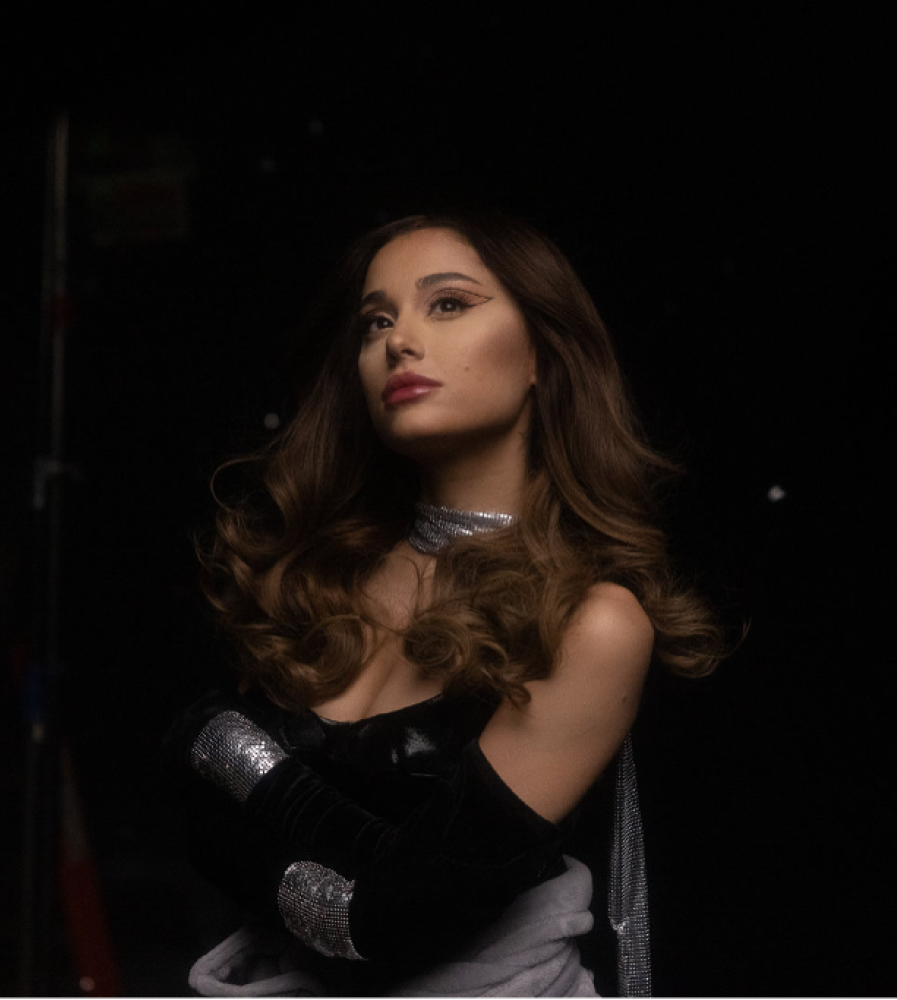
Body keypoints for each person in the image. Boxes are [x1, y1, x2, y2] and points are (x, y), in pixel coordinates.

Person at [163, 210, 724, 999]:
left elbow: (391, 919)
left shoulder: (590, 622)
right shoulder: (320, 573)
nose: (399, 340)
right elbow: (192, 820)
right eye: (375, 321)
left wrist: (222, 745)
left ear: (541, 353)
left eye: (449, 303)